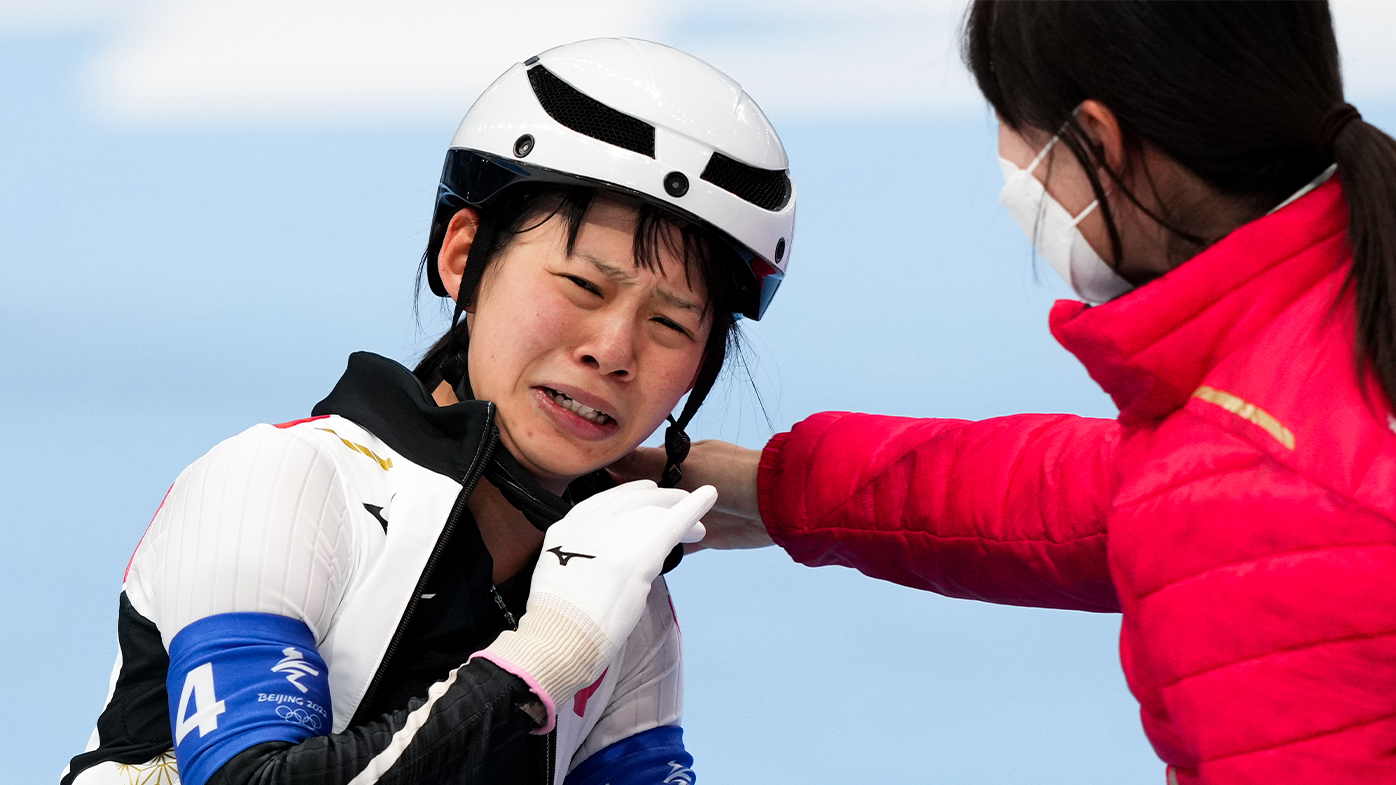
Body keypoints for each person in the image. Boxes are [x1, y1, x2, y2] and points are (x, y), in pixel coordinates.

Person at [616, 3, 1396, 782]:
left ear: (1099, 143)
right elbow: (1078, 491)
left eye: (1012, 127)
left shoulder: (1264, 497)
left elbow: (1219, 509)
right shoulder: (1326, 332)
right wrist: (775, 486)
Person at [62, 37, 796, 785]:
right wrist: (544, 655)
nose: (613, 350)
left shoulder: (629, 610)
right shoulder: (280, 483)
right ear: (462, 257)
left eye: (670, 324)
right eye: (582, 285)